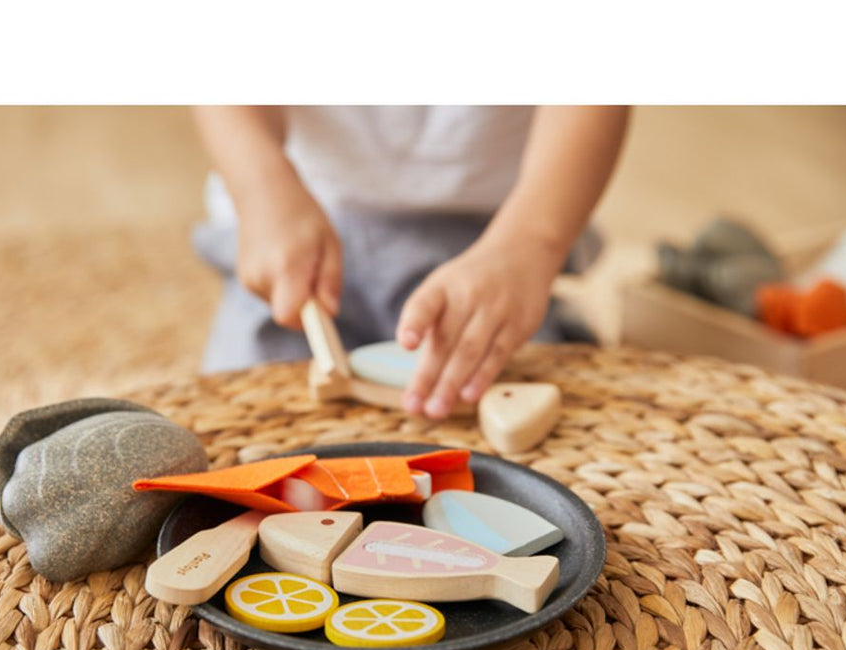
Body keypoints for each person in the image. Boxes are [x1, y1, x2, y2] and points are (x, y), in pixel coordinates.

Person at [192, 105, 629, 419]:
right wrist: (261, 190)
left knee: (532, 398)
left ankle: (553, 314)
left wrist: (531, 243)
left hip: (487, 242)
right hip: (295, 223)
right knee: (250, 405)